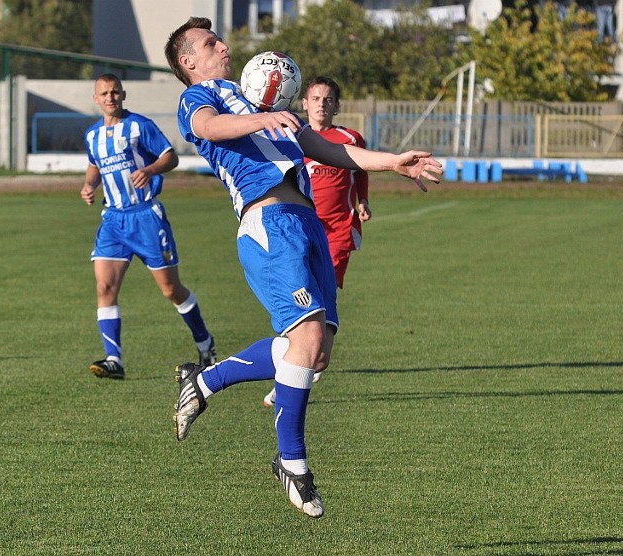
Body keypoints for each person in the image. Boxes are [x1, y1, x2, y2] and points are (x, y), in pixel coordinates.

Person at [164, 17, 442, 518]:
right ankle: (291, 463)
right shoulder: (200, 97)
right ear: (189, 62)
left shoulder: (260, 102)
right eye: (210, 43)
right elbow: (206, 127)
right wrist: (259, 121)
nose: (223, 46)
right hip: (271, 223)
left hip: (308, 224)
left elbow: (330, 149)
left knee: (313, 356)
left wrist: (393, 161)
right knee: (306, 338)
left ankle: (204, 382)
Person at [81, 73, 216, 381]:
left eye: (115, 92)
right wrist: (89, 186)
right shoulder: (92, 135)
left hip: (146, 217)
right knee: (104, 287)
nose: (110, 97)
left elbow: (170, 157)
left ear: (123, 95)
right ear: (96, 99)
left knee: (171, 290)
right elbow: (93, 166)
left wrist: (150, 169)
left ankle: (205, 343)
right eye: (104, 93)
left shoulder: (139, 126)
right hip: (113, 220)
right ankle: (114, 359)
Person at [261, 75, 370, 408]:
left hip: (337, 230)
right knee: (301, 296)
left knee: (321, 296)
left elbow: (359, 170)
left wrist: (362, 201)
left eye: (327, 99)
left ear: (335, 105)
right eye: (315, 99)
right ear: (303, 103)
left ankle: (299, 368)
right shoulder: (289, 138)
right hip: (300, 229)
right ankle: (302, 358)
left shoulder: (350, 138)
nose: (321, 104)